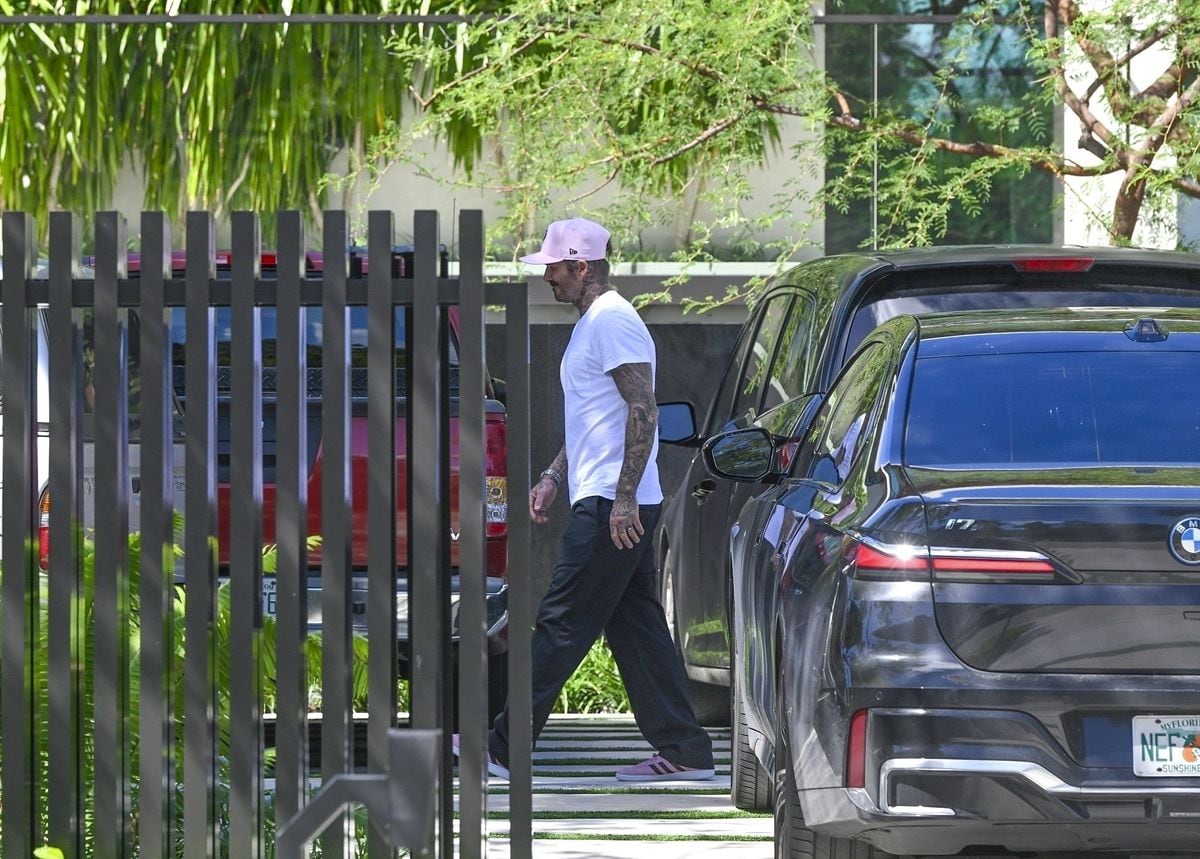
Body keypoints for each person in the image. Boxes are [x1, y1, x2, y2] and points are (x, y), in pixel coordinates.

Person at [456, 217, 715, 783]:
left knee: (559, 625)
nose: (547, 277)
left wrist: (622, 501)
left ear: (582, 266)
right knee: (636, 628)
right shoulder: (592, 324)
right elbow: (596, 421)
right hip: (606, 499)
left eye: (554, 267)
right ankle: (686, 751)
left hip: (610, 508)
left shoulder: (614, 322)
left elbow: (642, 409)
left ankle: (501, 748)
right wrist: (552, 474)